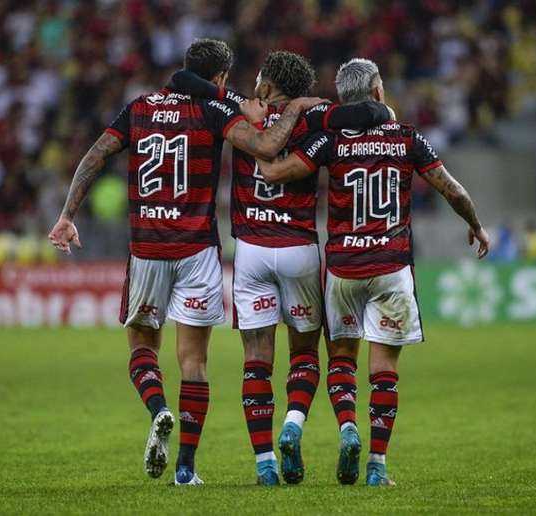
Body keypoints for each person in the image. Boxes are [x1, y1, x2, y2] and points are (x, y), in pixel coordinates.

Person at [48, 38, 323, 486]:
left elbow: (96, 153)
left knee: (142, 349)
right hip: (197, 250)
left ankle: (159, 410)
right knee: (193, 363)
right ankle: (185, 468)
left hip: (147, 249)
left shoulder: (139, 108)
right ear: (218, 78)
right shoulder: (215, 109)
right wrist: (294, 109)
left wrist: (66, 216)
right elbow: (265, 144)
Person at [257, 58, 490, 486]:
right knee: (384, 370)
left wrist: (258, 142)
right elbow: (450, 189)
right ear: (379, 92)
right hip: (391, 267)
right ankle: (377, 467)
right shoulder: (406, 138)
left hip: (343, 268)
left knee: (341, 361)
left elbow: (276, 170)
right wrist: (475, 225)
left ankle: (348, 428)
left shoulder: (330, 142)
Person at [169, 51, 393, 485]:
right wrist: (316, 106)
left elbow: (186, 82)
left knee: (256, 360)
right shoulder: (318, 117)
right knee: (306, 355)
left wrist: (232, 95)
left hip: (250, 249)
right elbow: (368, 114)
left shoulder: (238, 109)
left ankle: (265, 464)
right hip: (299, 249)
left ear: (266, 86)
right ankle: (293, 422)